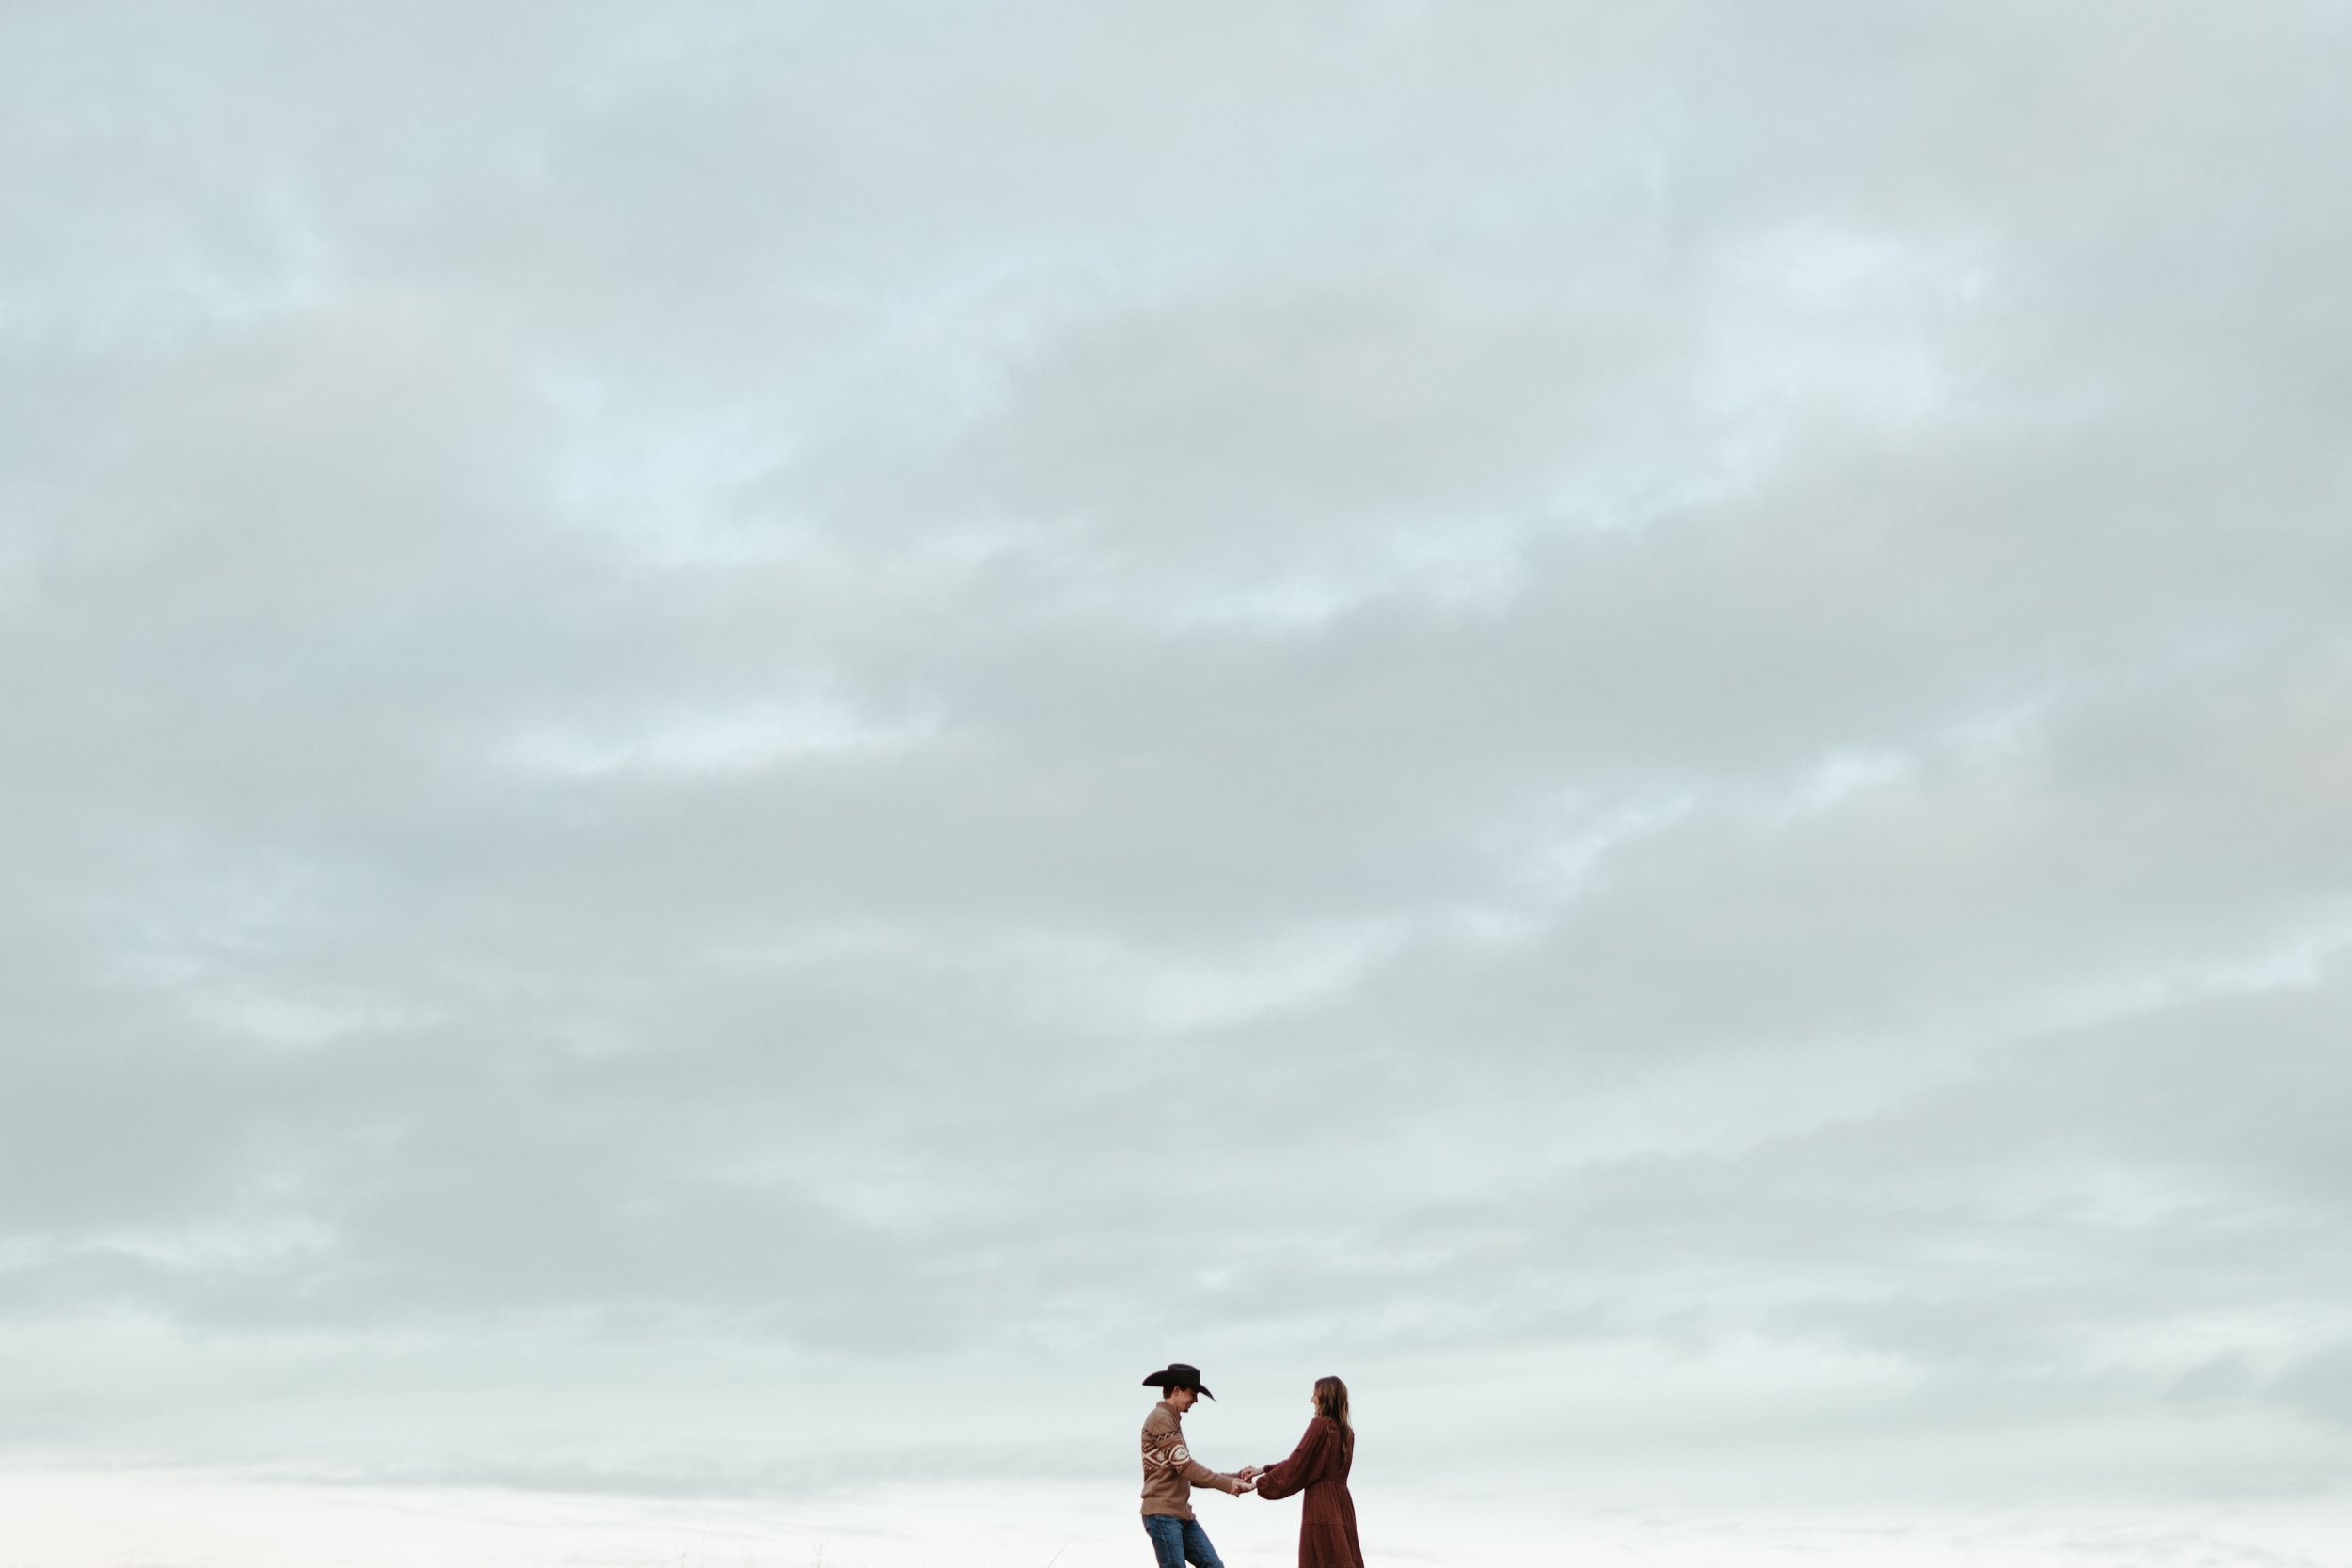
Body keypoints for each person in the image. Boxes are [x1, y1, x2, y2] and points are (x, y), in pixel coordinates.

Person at [1138, 1362, 1254, 1568]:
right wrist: (1228, 1485)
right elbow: (1187, 1467)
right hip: (1163, 1515)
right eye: (1193, 1394)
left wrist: (1234, 1477)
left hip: (1180, 1513)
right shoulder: (1161, 1419)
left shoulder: (1170, 1421)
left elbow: (1186, 1473)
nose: (1196, 1400)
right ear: (1176, 1390)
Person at [1248, 1374, 1364, 1568]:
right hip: (1342, 1504)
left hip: (1321, 1503)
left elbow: (1299, 1462)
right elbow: (1306, 1461)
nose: (1312, 1399)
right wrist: (1263, 1469)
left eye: (1315, 1394)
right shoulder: (1348, 1433)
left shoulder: (1320, 1424)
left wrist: (1260, 1484)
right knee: (1341, 1558)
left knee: (1322, 1560)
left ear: (1325, 1397)